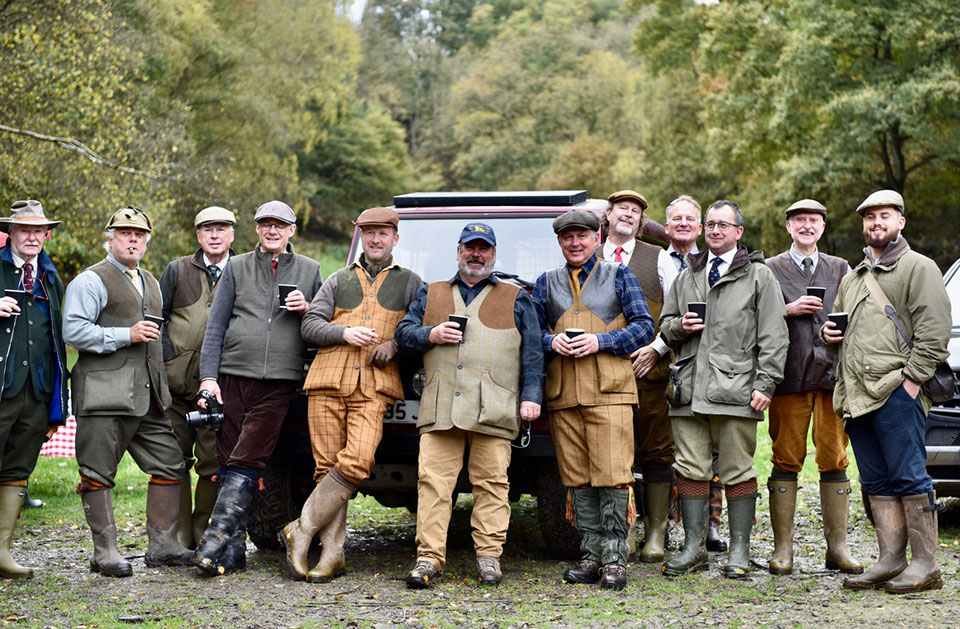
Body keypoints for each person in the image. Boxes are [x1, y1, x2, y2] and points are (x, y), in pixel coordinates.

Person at [395, 222, 543, 588]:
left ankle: (489, 557)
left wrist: (531, 396)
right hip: (441, 406)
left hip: (494, 407)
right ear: (458, 251)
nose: (476, 255)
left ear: (493, 255)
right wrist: (430, 334)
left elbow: (534, 352)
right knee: (432, 485)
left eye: (484, 249)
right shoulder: (431, 293)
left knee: (493, 484)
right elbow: (402, 333)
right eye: (470, 247)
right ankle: (428, 559)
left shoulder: (516, 296)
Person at [281, 206, 423, 583]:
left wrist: (394, 345)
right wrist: (343, 334)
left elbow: (417, 330)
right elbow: (310, 325)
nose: (375, 239)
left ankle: (302, 528)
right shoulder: (337, 278)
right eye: (368, 232)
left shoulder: (411, 282)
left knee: (357, 462)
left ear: (395, 238)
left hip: (374, 387)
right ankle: (332, 554)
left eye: (382, 233)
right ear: (361, 236)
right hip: (326, 380)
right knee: (326, 468)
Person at [822, 190, 950, 594]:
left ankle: (926, 565)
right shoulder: (853, 277)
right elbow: (844, 333)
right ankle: (890, 560)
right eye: (870, 217)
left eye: (885, 216)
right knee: (876, 480)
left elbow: (934, 333)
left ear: (900, 223)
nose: (876, 223)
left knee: (909, 476)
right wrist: (829, 336)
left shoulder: (919, 267)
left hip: (898, 390)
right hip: (857, 396)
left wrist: (912, 381)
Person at [659, 200, 788, 579]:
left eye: (722, 225)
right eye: (710, 224)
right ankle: (693, 548)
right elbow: (665, 326)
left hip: (737, 390)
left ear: (738, 233)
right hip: (688, 389)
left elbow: (775, 337)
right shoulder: (688, 275)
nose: (715, 231)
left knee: (737, 470)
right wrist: (680, 325)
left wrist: (766, 383)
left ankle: (739, 551)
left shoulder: (759, 276)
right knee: (689, 469)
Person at [63, 206, 194, 577]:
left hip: (149, 398)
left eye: (139, 235)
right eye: (124, 233)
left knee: (170, 464)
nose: (132, 239)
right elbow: (73, 332)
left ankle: (164, 545)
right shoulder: (90, 281)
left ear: (147, 241)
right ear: (109, 237)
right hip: (104, 396)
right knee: (97, 472)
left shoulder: (150, 280)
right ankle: (104, 553)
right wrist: (126, 335)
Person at [194, 200, 321, 576]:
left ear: (292, 230)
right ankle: (232, 554)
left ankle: (214, 540)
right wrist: (209, 379)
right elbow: (214, 328)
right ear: (256, 229)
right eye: (265, 224)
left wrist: (307, 308)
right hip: (232, 376)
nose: (272, 231)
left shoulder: (310, 270)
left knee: (247, 458)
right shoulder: (236, 267)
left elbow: (320, 326)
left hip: (280, 381)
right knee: (227, 458)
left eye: (279, 225)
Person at [532, 209, 654, 590]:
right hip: (564, 395)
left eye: (582, 236)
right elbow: (530, 334)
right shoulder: (545, 282)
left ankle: (616, 560)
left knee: (613, 476)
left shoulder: (620, 275)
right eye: (567, 236)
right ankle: (590, 556)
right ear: (559, 241)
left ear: (596, 237)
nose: (575, 242)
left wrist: (600, 342)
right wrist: (549, 341)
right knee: (578, 479)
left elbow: (644, 327)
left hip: (611, 393)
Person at [764, 199, 861, 576]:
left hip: (834, 378)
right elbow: (755, 316)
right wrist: (787, 310)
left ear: (823, 227)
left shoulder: (841, 267)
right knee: (785, 456)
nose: (807, 226)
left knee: (835, 456)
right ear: (788, 227)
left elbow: (859, 312)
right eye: (800, 221)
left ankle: (838, 548)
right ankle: (783, 550)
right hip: (789, 376)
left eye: (814, 221)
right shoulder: (769, 269)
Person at [599, 190, 678, 564]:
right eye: (622, 210)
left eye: (636, 212)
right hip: (601, 375)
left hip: (649, 372)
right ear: (608, 215)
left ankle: (656, 534)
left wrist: (657, 349)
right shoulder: (588, 253)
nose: (628, 216)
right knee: (612, 454)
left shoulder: (660, 257)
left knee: (658, 452)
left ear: (642, 223)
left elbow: (676, 313)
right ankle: (619, 533)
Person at [159, 206, 237, 550]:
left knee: (212, 462)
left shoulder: (243, 269)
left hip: (220, 388)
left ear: (233, 234)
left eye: (221, 229)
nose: (215, 235)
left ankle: (203, 532)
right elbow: (156, 318)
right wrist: (167, 358)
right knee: (173, 459)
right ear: (198, 236)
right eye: (208, 229)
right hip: (175, 387)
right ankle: (176, 537)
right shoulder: (177, 270)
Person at [0, 200, 67, 579]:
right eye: (23, 230)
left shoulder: (50, 277)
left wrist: (59, 400)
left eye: (37, 230)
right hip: (1, 389)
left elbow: (57, 339)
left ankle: (2, 554)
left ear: (46, 234)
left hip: (36, 393)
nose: (31, 237)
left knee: (16, 472)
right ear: (10, 232)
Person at [664, 196, 727, 552]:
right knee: (675, 454)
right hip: (675, 369)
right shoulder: (659, 260)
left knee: (715, 454)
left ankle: (711, 526)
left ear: (701, 228)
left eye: (691, 218)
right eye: (677, 219)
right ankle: (675, 528)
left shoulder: (716, 263)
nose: (684, 223)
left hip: (716, 371)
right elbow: (663, 320)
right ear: (667, 225)